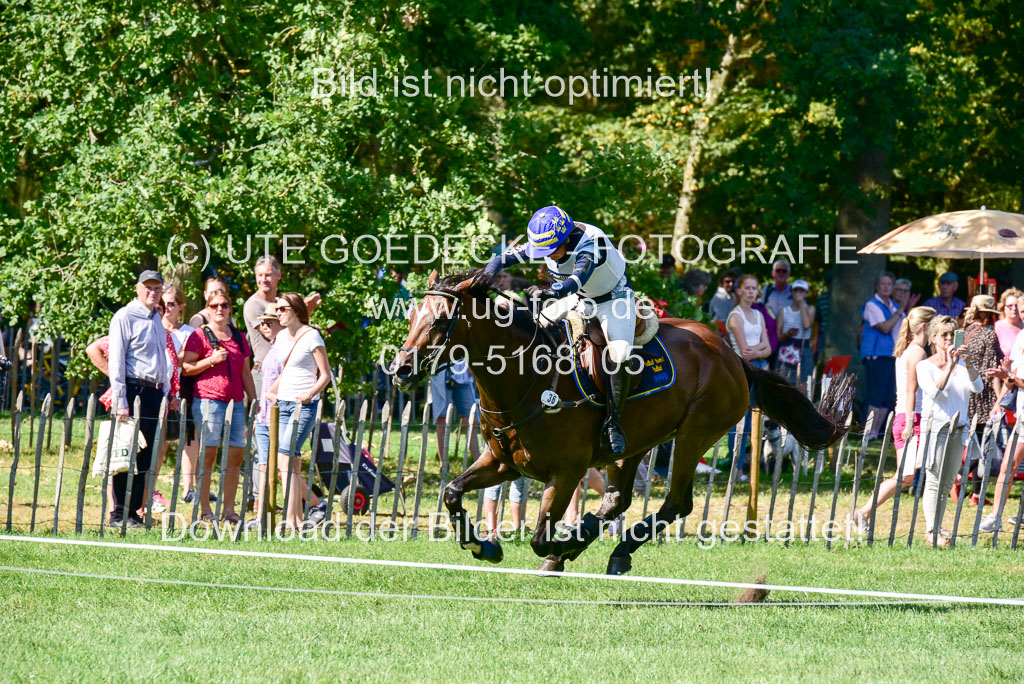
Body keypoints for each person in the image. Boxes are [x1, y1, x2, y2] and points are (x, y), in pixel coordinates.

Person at [484, 206, 635, 454]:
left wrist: (548, 292)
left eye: (551, 250)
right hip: (578, 298)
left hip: (613, 300)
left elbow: (575, 280)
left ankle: (614, 423)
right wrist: (487, 274)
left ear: (565, 239)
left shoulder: (591, 243)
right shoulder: (551, 239)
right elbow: (502, 258)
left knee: (619, 354)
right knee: (534, 330)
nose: (548, 256)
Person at [851, 306, 936, 534]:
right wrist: (910, 421)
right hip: (911, 416)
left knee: (909, 475)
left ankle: (865, 512)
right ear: (926, 326)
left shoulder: (908, 350)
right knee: (905, 476)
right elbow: (910, 390)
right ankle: (864, 512)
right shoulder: (917, 352)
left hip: (906, 416)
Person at [181, 291, 256, 523]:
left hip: (235, 403)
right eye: (214, 306)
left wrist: (254, 400)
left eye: (224, 304)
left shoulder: (239, 337)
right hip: (207, 400)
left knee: (236, 455)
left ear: (230, 308)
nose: (219, 309)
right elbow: (186, 367)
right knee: (209, 455)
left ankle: (229, 510)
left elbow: (245, 372)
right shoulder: (199, 335)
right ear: (207, 309)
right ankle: (205, 509)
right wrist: (210, 361)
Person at [107, 270, 173, 527]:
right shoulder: (124, 316)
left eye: (157, 288)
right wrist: (121, 400)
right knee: (127, 453)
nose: (152, 292)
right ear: (137, 288)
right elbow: (117, 361)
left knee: (146, 455)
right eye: (148, 287)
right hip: (134, 391)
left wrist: (165, 393)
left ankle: (134, 512)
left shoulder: (156, 317)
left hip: (154, 393)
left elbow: (161, 359)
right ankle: (119, 514)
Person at [266, 292, 331, 529]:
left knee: (284, 459)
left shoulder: (312, 336)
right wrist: (272, 390)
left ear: (295, 310)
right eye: (277, 309)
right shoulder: (282, 336)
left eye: (283, 309)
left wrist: (309, 394)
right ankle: (295, 518)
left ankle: (289, 518)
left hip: (302, 406)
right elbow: (286, 371)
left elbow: (325, 375)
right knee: (290, 464)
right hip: (282, 403)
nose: (278, 313)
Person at [915, 315, 982, 546]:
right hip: (936, 428)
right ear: (933, 338)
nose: (949, 339)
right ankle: (932, 532)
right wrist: (951, 365)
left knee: (946, 484)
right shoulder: (924, 366)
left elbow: (978, 387)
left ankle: (937, 529)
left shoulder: (963, 366)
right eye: (944, 334)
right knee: (933, 481)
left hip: (959, 428)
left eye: (953, 334)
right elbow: (935, 392)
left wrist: (967, 362)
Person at [242, 255, 321, 398]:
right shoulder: (253, 304)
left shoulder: (280, 303)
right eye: (260, 275)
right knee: (266, 418)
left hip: (287, 369)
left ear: (279, 275)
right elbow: (273, 334)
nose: (263, 279)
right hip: (265, 371)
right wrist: (302, 312)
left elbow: (299, 334)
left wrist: (302, 312)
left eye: (268, 275)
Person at [954, 295, 1005, 503]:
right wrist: (998, 400)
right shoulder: (988, 335)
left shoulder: (961, 334)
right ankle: (958, 476)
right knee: (982, 444)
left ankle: (976, 494)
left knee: (970, 441)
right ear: (987, 315)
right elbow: (993, 369)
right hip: (983, 394)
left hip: (964, 393)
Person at [727, 274, 772, 481]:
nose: (751, 292)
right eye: (747, 288)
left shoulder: (759, 315)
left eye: (754, 288)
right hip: (743, 370)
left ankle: (757, 463)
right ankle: (736, 468)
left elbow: (769, 347)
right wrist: (760, 350)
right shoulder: (736, 317)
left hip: (761, 368)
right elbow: (744, 351)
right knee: (741, 420)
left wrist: (760, 351)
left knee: (759, 417)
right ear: (739, 291)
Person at [860, 272, 916, 440]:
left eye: (889, 284)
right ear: (877, 286)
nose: (886, 287)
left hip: (892, 355)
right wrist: (901, 309)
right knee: (875, 394)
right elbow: (884, 327)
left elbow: (903, 329)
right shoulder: (872, 304)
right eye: (883, 284)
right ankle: (867, 431)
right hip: (876, 355)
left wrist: (906, 309)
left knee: (887, 396)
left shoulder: (892, 306)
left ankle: (875, 432)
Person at [430, 358, 479, 463]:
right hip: (441, 372)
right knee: (442, 419)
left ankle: (478, 462)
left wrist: (471, 364)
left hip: (463, 373)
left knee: (471, 420)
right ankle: (443, 464)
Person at [776, 279, 815, 390]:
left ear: (806, 294)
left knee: (803, 385)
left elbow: (807, 325)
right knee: (785, 385)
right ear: (792, 293)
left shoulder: (810, 309)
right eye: (796, 291)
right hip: (787, 348)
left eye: (802, 291)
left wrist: (801, 304)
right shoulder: (783, 311)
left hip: (803, 348)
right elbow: (779, 337)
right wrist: (788, 333)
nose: (798, 294)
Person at [994, 287, 1023, 357]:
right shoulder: (997, 327)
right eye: (1010, 306)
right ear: (1004, 308)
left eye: (1016, 305)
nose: (1014, 309)